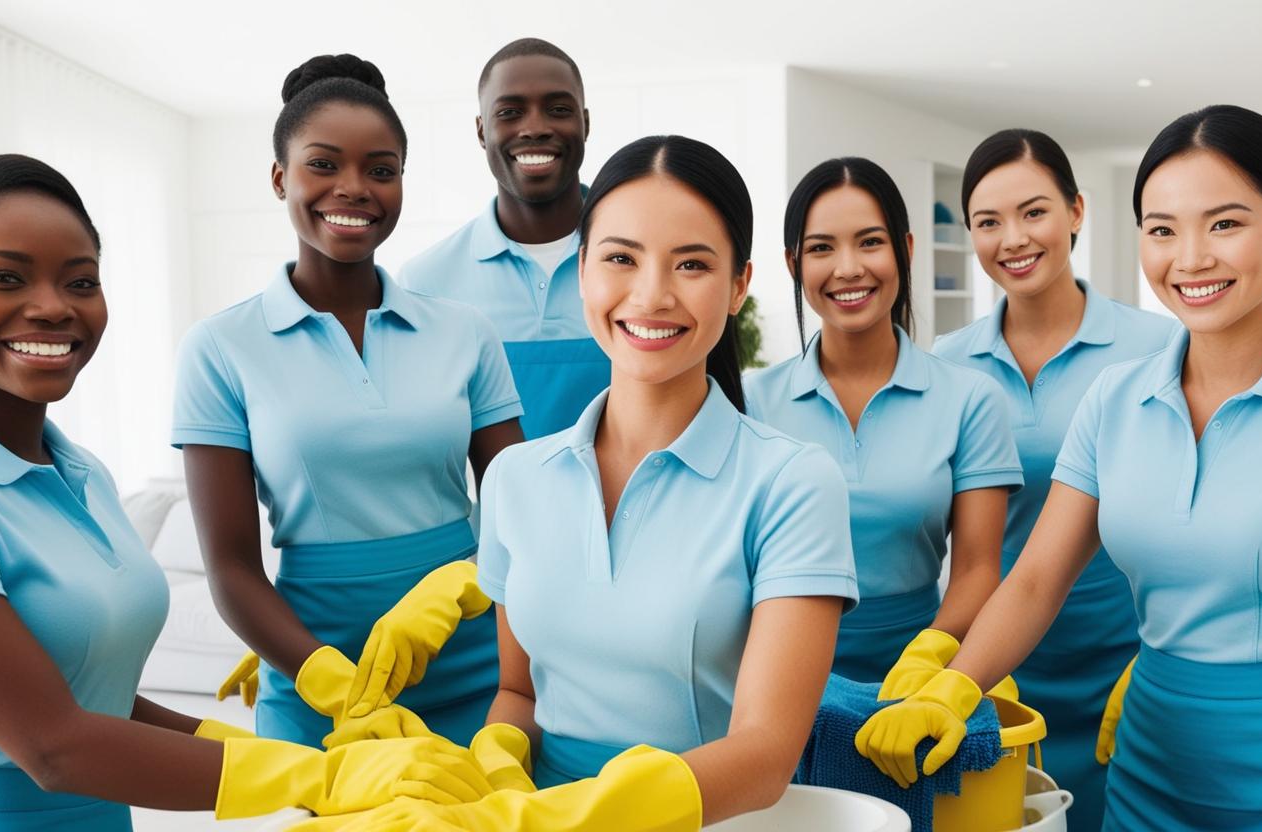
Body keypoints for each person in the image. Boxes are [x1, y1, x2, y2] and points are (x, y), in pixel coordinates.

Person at [0, 154, 493, 830]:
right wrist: (320, 774)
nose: (52, 307)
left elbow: (100, 696)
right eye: (4, 278)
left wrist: (255, 750)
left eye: (80, 280)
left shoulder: (83, 473)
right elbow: (51, 744)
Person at [316, 135, 860, 831]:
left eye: (691, 263)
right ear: (582, 274)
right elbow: (519, 691)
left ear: (739, 286)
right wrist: (499, 756)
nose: (651, 294)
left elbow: (764, 755)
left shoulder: (792, 484)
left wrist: (558, 821)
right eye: (620, 258)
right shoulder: (516, 478)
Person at [859, 105, 1262, 831]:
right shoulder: (1115, 399)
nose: (1190, 258)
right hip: (1150, 762)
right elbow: (1036, 580)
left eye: (1224, 223)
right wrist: (955, 687)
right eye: (1162, 229)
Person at [173, 54, 523, 748]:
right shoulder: (221, 346)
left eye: (381, 169)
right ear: (281, 178)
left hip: (479, 669)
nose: (354, 188)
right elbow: (233, 566)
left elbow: (523, 512)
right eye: (323, 165)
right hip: (317, 680)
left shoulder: (464, 332)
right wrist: (324, 679)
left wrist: (460, 583)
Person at [931, 128, 1177, 830]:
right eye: (988, 222)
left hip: (1128, 665)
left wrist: (1166, 653)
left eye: (1034, 211)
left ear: (1076, 210)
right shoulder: (947, 365)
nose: (1013, 238)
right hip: (992, 663)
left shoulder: (1158, 348)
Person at [744, 157, 1021, 693]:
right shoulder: (752, 400)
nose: (848, 268)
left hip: (923, 667)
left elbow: (977, 571)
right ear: (793, 262)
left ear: (906, 250)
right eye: (822, 248)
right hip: (775, 673)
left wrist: (926, 665)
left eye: (870, 242)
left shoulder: (970, 400)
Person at [398, 38, 608, 439]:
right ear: (482, 130)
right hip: (492, 506)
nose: (535, 128)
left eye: (558, 109)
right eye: (510, 112)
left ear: (585, 123)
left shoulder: (636, 265)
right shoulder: (424, 286)